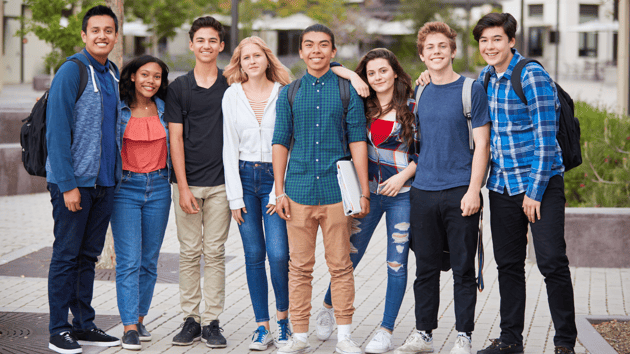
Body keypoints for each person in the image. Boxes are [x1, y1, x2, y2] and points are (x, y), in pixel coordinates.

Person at [472, 13, 577, 354]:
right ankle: (510, 340)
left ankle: (564, 343)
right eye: (484, 40)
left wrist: (533, 192)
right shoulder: (485, 77)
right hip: (501, 186)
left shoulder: (531, 75)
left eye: (497, 39)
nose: (490, 46)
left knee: (551, 262)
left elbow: (547, 140)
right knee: (508, 267)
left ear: (511, 41)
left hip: (540, 184)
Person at [272, 24, 370, 354]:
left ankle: (344, 336)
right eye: (309, 45)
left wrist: (363, 191)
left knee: (340, 266)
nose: (316, 50)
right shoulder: (290, 92)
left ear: (332, 52)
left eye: (323, 45)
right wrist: (279, 191)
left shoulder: (347, 92)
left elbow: (357, 141)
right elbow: (280, 142)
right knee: (299, 268)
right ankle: (299, 336)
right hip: (297, 190)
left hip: (337, 193)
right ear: (300, 52)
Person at [395, 22, 490, 354]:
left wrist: (474, 190)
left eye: (442, 46)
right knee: (425, 268)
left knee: (463, 268)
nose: (436, 52)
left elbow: (482, 146)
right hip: (422, 192)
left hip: (460, 190)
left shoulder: (471, 89)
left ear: (452, 50)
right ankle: (424, 334)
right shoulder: (419, 92)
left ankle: (463, 335)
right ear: (422, 56)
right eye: (429, 48)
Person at [316, 48, 417, 354]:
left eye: (383, 71)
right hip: (367, 194)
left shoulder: (413, 106)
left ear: (395, 72)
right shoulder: (362, 104)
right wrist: (350, 75)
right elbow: (329, 66)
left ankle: (386, 330)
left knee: (396, 264)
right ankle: (327, 306)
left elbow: (427, 151)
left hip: (403, 196)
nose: (377, 78)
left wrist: (403, 176)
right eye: (371, 73)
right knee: (349, 257)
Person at [45, 5, 122, 354]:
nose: (102, 36)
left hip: (105, 182)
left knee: (88, 257)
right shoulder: (71, 71)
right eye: (96, 30)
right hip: (75, 183)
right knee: (66, 255)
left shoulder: (113, 73)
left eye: (108, 30)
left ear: (115, 36)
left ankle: (84, 324)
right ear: (84, 34)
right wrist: (67, 184)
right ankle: (58, 329)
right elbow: (57, 132)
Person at [163, 16, 231, 348]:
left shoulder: (232, 86)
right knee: (189, 253)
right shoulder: (179, 88)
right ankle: (190, 319)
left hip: (221, 184)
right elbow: (174, 140)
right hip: (186, 184)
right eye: (199, 40)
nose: (206, 45)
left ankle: (213, 321)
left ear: (221, 46)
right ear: (191, 45)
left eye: (212, 40)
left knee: (215, 252)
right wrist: (183, 186)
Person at [221, 36, 292, 350]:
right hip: (244, 179)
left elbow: (291, 142)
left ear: (267, 59)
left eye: (257, 55)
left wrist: (280, 189)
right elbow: (228, 148)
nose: (251, 61)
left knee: (278, 254)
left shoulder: (285, 93)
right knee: (253, 256)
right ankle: (261, 327)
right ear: (240, 63)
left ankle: (284, 321)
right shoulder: (231, 96)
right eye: (245, 57)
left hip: (275, 181)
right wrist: (234, 197)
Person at [110, 55, 171, 351]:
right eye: (145, 75)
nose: (150, 81)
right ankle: (129, 326)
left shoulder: (165, 108)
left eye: (157, 76)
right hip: (126, 189)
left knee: (149, 261)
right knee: (129, 260)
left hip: (159, 187)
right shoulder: (118, 108)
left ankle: (141, 317)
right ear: (132, 76)